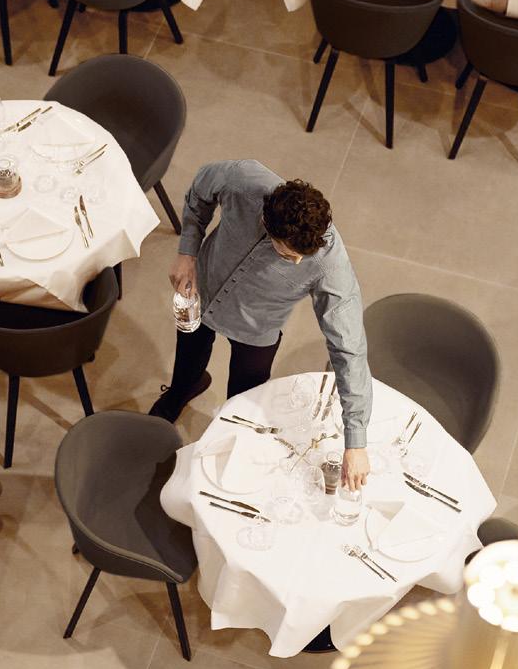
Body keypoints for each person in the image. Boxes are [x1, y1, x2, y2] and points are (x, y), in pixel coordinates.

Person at [149, 160, 372, 490]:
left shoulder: (329, 264)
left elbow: (349, 348)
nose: (298, 262)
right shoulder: (242, 180)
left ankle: (225, 453)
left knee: (242, 405)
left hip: (257, 329)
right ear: (267, 223)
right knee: (187, 357)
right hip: (202, 291)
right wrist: (187, 252)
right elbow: (200, 192)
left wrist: (356, 441)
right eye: (288, 256)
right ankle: (182, 390)